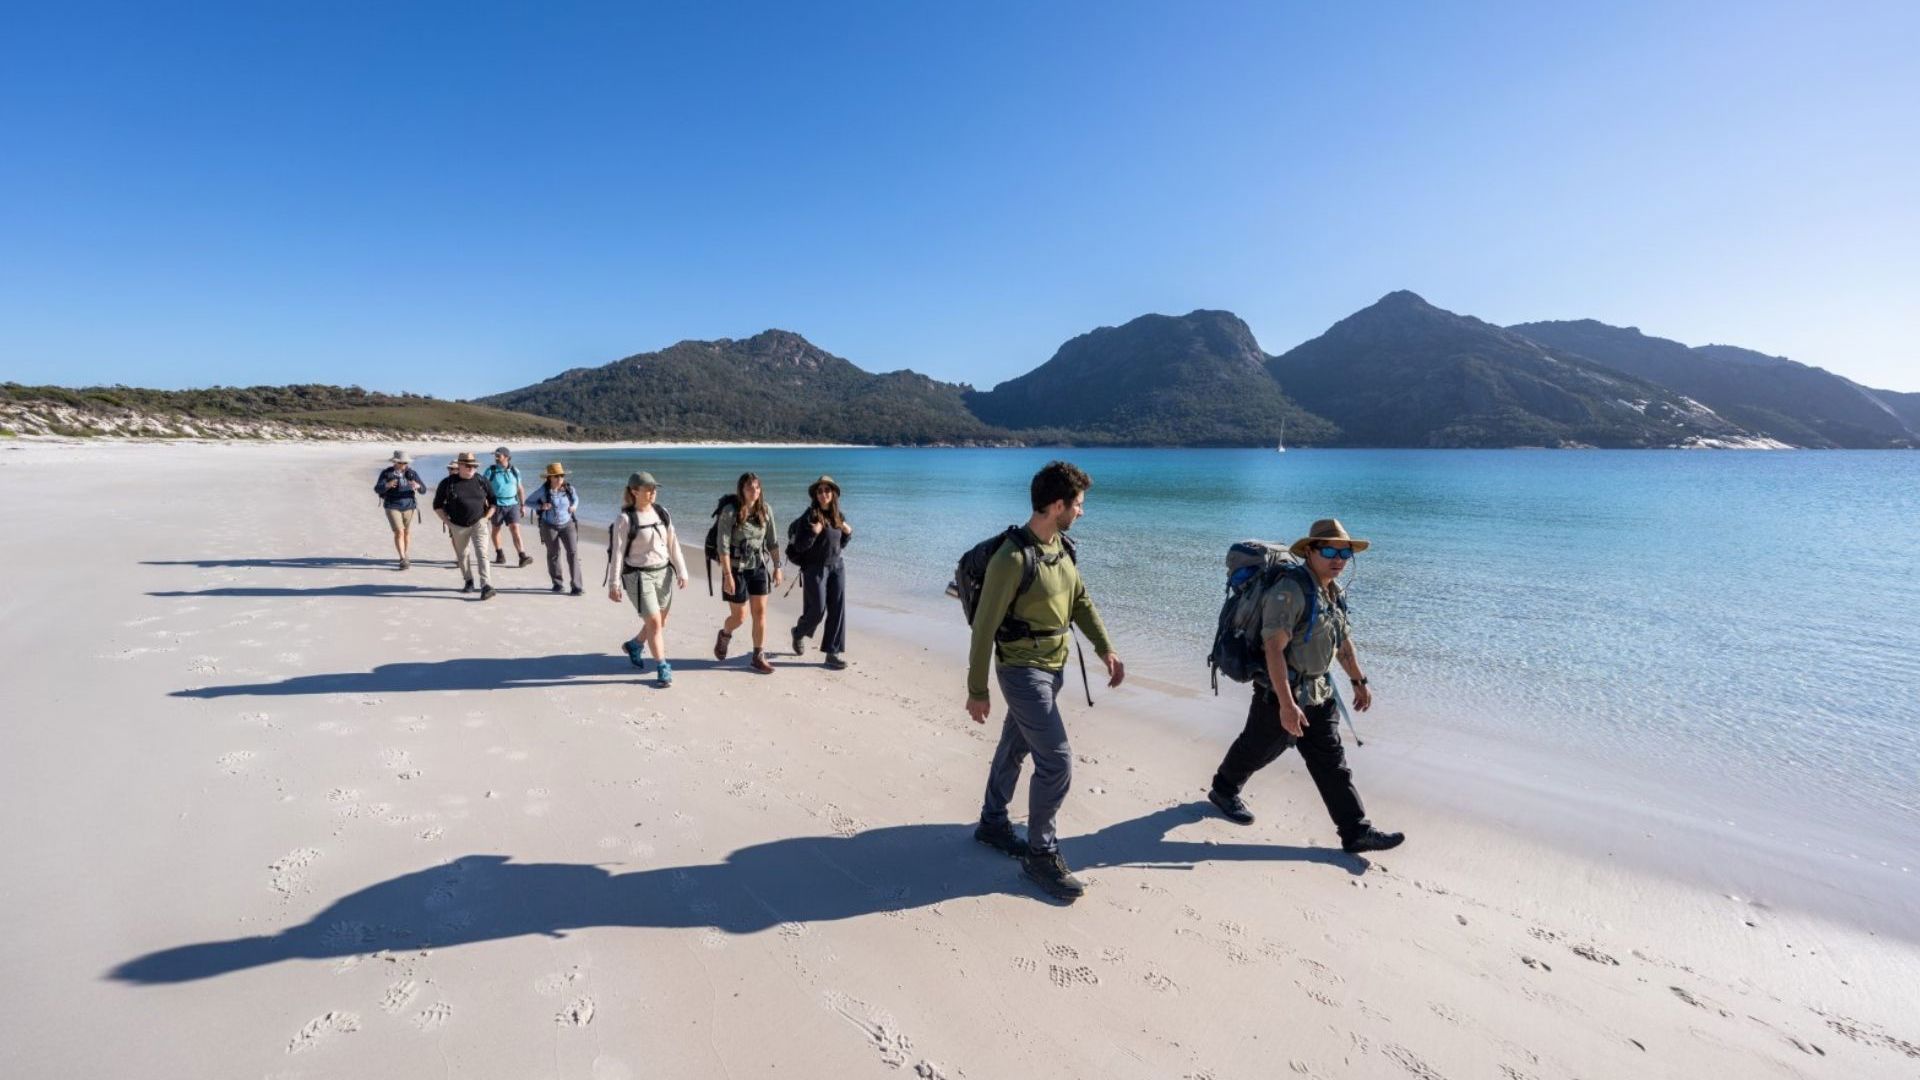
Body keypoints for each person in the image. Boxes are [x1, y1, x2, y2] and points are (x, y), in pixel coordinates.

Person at [966, 461, 1125, 901]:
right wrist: (977, 690)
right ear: (1057, 505)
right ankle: (1041, 854)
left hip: (1053, 669)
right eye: (1078, 504)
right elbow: (983, 629)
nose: (1081, 512)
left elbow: (1081, 602)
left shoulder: (1062, 548)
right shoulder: (1011, 558)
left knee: (1015, 746)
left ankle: (993, 823)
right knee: (1056, 763)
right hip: (1020, 672)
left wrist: (1105, 648)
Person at [1205, 519, 1403, 854]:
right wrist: (1285, 703)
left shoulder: (1331, 589)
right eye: (1329, 550)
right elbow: (1274, 648)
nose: (1338, 558)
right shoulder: (1291, 591)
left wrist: (1358, 680)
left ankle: (1356, 832)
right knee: (1259, 747)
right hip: (1281, 693)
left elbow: (1342, 640)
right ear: (1310, 551)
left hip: (1320, 694)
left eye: (1344, 552)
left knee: (1331, 762)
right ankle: (1224, 788)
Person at [606, 472, 689, 688]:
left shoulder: (662, 513)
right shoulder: (625, 519)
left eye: (654, 489)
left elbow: (673, 544)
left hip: (664, 574)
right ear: (634, 491)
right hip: (638, 577)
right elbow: (617, 553)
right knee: (653, 622)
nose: (653, 492)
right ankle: (662, 666)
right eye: (648, 489)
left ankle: (635, 645)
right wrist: (614, 584)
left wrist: (682, 570)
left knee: (660, 622)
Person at [713, 472, 785, 674]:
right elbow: (723, 546)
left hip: (758, 566)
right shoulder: (730, 511)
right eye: (749, 488)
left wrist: (777, 567)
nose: (754, 491)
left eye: (756, 487)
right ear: (741, 490)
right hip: (735, 569)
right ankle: (725, 634)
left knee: (760, 613)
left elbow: (772, 541)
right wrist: (727, 576)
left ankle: (758, 656)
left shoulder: (765, 509)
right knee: (740, 617)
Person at [787, 475, 852, 670]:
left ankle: (832, 653)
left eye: (827, 490)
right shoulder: (809, 517)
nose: (824, 494)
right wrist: (813, 533)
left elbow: (839, 544)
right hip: (815, 569)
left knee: (837, 610)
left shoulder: (838, 516)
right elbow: (799, 547)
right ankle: (798, 632)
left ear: (833, 494)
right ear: (816, 495)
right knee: (817, 610)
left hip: (837, 568)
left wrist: (848, 533)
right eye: (820, 491)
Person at [432, 451, 497, 600]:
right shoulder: (447, 483)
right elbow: (437, 505)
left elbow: (494, 501)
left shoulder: (482, 481)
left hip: (480, 522)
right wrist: (448, 523)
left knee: (483, 553)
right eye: (468, 466)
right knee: (463, 555)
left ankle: (486, 585)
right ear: (459, 466)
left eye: (474, 466)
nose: (471, 468)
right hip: (457, 525)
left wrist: (486, 518)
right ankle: (468, 581)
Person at [524, 462, 584, 595]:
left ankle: (577, 586)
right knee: (554, 554)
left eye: (561, 475)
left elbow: (576, 499)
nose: (559, 478)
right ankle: (557, 584)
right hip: (549, 526)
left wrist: (574, 507)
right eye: (556, 476)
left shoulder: (569, 489)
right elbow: (528, 502)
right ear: (549, 478)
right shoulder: (543, 491)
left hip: (568, 524)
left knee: (573, 553)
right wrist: (541, 507)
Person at [373, 450, 426, 570]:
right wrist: (387, 485)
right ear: (395, 462)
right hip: (392, 506)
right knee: (399, 532)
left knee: (406, 532)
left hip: (409, 506)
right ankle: (402, 558)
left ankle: (405, 554)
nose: (404, 465)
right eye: (402, 462)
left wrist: (418, 486)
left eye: (406, 462)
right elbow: (377, 489)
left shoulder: (412, 473)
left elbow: (424, 490)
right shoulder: (387, 473)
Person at [483, 446, 533, 569]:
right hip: (496, 505)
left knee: (515, 528)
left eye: (498, 455)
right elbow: (483, 489)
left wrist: (522, 505)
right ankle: (499, 553)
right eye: (495, 455)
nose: (496, 458)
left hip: (513, 504)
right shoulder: (490, 471)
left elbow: (520, 488)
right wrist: (486, 504)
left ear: (507, 457)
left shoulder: (515, 471)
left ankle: (522, 556)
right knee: (496, 529)